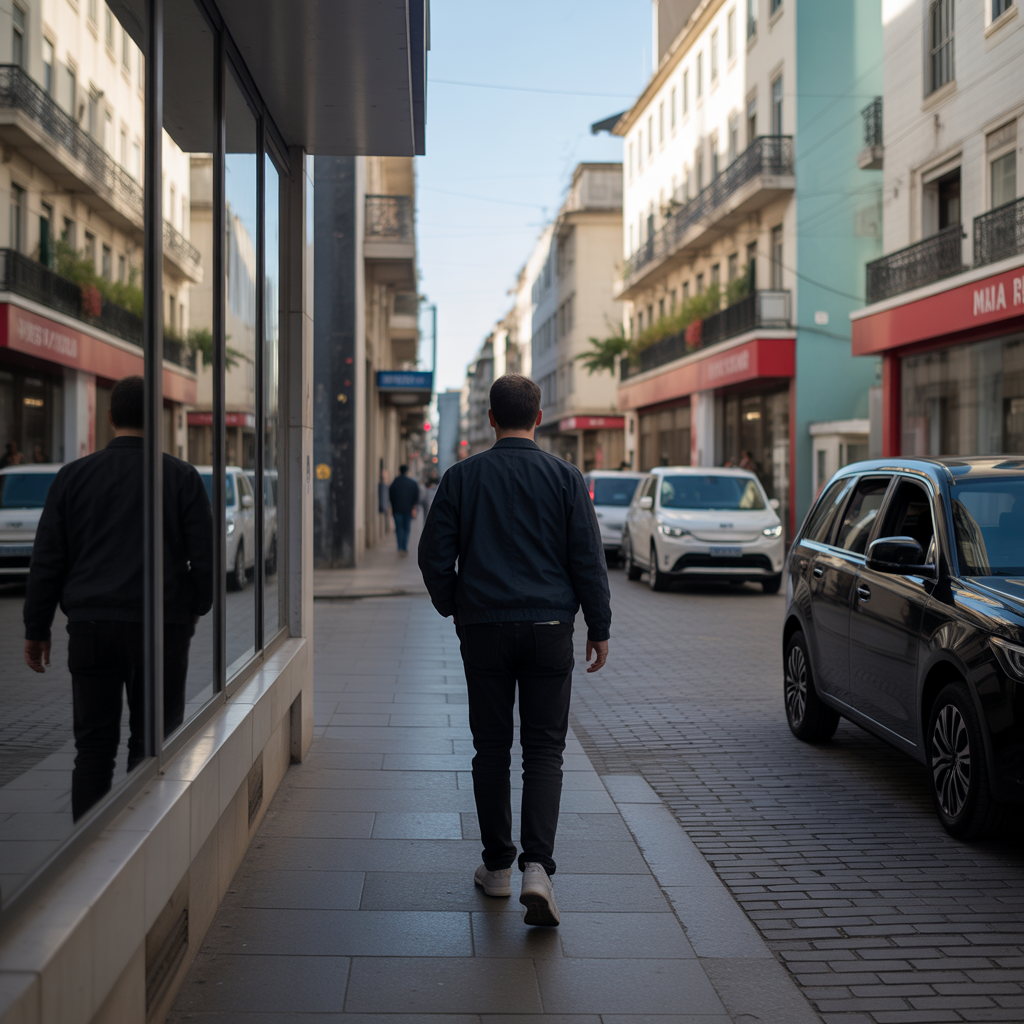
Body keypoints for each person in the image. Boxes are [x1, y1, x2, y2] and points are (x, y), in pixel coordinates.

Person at [418, 373, 611, 927]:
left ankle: (497, 867)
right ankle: (538, 870)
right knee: (545, 750)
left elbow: (434, 557)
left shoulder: (460, 478)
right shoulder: (566, 478)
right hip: (550, 628)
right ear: (540, 417)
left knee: (491, 746)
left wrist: (459, 605)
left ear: (491, 419)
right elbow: (587, 560)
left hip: (485, 630)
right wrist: (598, 626)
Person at [23, 375, 213, 821]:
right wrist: (191, 610)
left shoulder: (72, 477)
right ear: (161, 420)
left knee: (92, 749)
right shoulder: (181, 477)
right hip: (161, 628)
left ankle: (88, 858)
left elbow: (47, 558)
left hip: (91, 627)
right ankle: (141, 848)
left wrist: (37, 629)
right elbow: (204, 560)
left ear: (110, 417)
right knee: (151, 747)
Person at [388, 464, 420, 554]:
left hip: (397, 510)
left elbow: (390, 495)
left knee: (398, 529)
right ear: (407, 472)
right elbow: (416, 496)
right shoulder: (412, 483)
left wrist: (392, 506)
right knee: (406, 529)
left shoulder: (395, 482)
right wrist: (413, 508)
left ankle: (400, 547)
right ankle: (404, 547)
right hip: (408, 510)